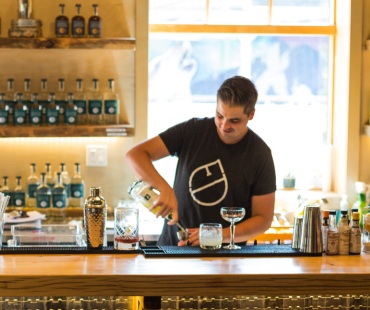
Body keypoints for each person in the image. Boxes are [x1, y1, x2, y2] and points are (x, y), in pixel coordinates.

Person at [125, 76, 276, 246]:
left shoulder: (260, 154)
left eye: (234, 120)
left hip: (225, 260)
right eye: (220, 116)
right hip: (173, 250)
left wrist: (216, 235)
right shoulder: (192, 131)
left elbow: (263, 219)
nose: (224, 125)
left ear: (251, 114)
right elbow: (135, 155)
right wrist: (165, 189)